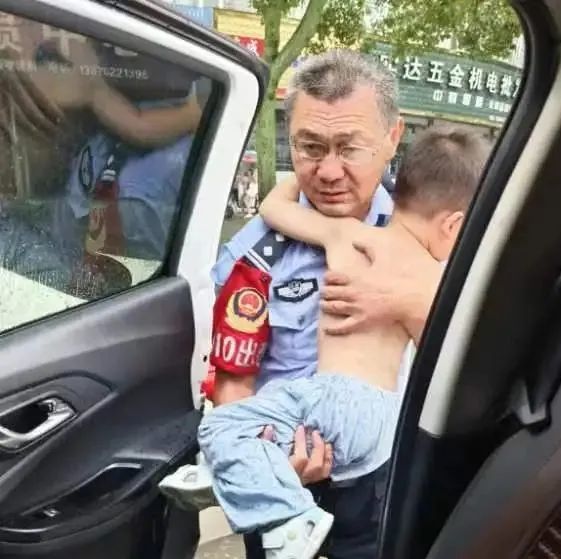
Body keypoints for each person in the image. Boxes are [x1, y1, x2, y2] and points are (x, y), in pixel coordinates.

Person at [159, 124, 491, 558]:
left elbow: (273, 207)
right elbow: (446, 361)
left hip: (334, 400)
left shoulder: (348, 236)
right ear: (454, 224)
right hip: (382, 426)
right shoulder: (436, 279)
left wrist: (307, 169)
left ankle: (283, 510)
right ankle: (243, 482)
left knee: (220, 426)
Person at [203, 49, 402, 559]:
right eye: (310, 147)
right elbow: (233, 381)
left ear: (392, 138)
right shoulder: (255, 257)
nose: (328, 171)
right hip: (289, 483)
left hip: (393, 479)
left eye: (349, 148)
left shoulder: (420, 234)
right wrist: (269, 465)